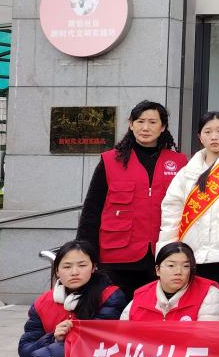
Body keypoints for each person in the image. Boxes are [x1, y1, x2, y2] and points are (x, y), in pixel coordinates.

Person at [76, 100, 188, 300]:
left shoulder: (179, 162)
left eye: (152, 122)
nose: (145, 128)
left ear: (163, 127)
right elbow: (92, 210)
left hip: (163, 256)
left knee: (155, 311)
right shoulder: (110, 160)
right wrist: (85, 253)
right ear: (131, 124)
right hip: (117, 257)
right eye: (140, 121)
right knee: (114, 310)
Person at [158, 111, 219, 289]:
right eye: (208, 132)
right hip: (191, 259)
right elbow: (171, 216)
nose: (214, 136)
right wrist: (166, 256)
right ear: (200, 137)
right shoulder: (186, 173)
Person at [121, 241, 219, 321]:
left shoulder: (208, 293)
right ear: (158, 270)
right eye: (171, 265)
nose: (178, 272)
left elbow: (207, 337)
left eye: (185, 266)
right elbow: (124, 335)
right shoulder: (141, 296)